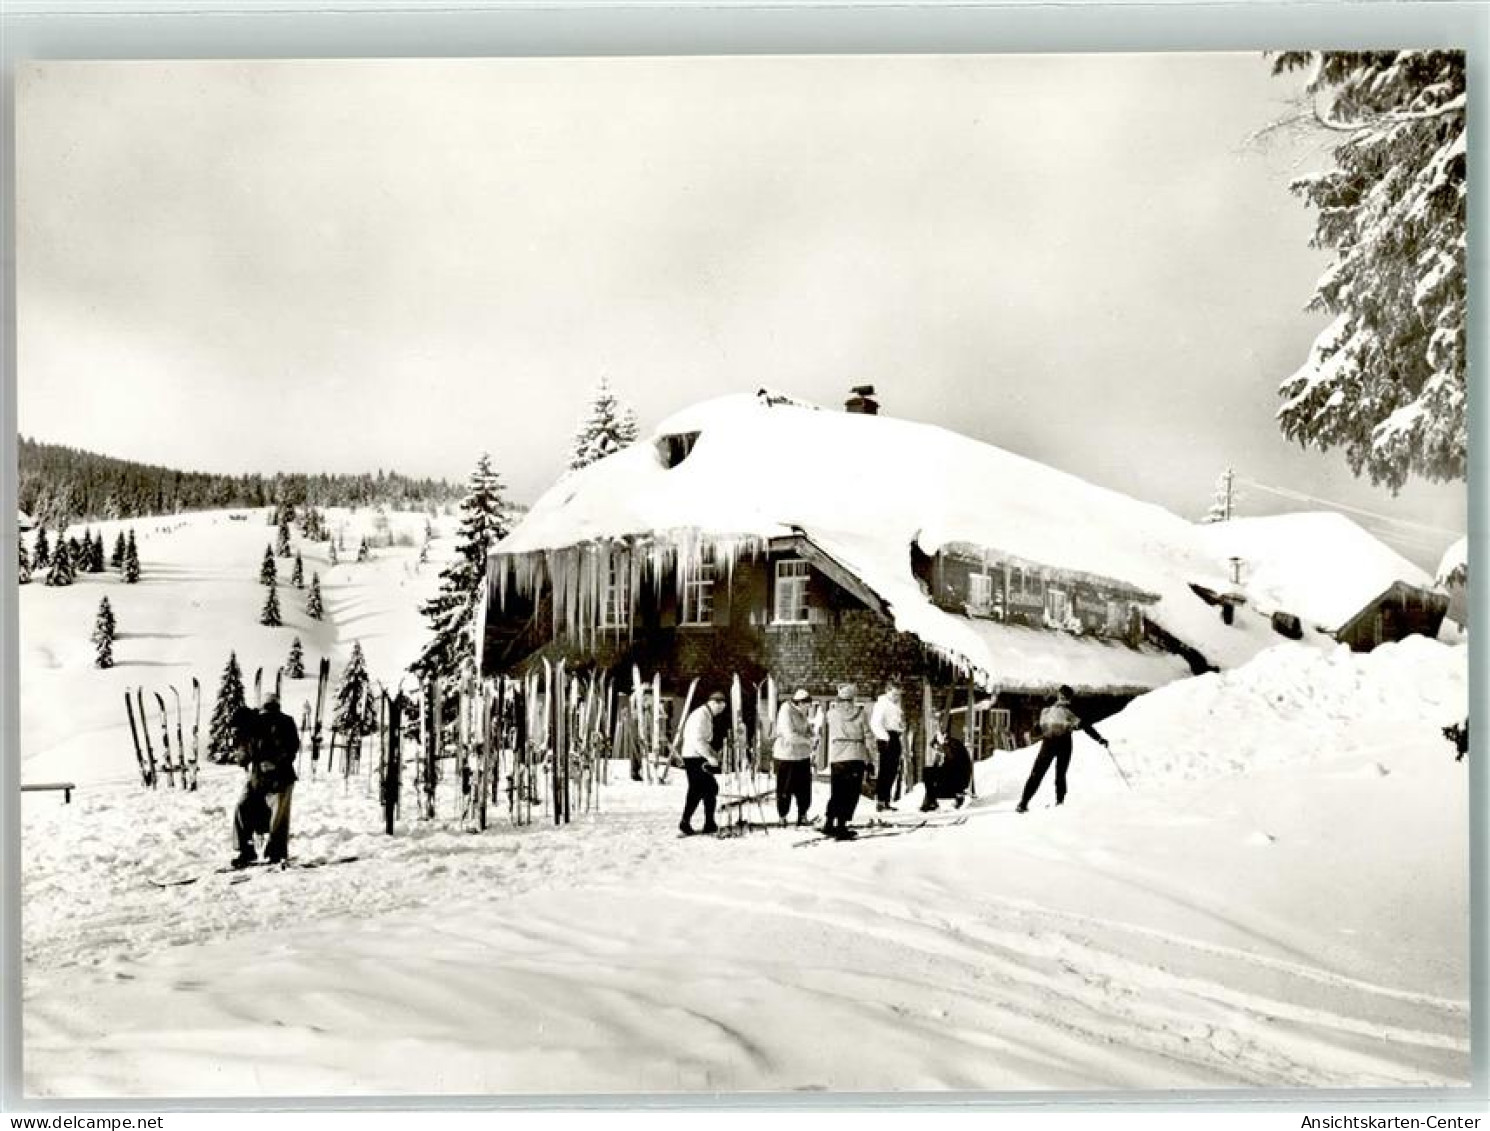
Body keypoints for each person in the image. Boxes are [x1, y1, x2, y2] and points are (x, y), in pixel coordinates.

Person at [230, 692, 300, 867]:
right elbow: (246, 752)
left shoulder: (285, 722)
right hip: (259, 778)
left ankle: (273, 853)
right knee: (245, 808)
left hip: (280, 777)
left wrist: (274, 761)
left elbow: (291, 748)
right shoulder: (255, 723)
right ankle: (248, 850)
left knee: (277, 817)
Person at [1015, 684, 1108, 813]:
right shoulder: (1065, 712)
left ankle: (1024, 803)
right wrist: (1099, 739)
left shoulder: (1047, 712)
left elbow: (1037, 728)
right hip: (1063, 744)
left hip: (1050, 744)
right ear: (1067, 697)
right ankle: (1058, 803)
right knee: (1058, 774)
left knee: (1038, 774)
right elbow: (1086, 726)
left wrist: (1028, 734)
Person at [823, 683, 873, 840]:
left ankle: (829, 822)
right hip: (856, 754)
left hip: (837, 755)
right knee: (851, 793)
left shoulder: (831, 714)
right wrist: (871, 758)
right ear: (853, 698)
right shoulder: (861, 714)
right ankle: (842, 825)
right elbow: (869, 737)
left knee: (837, 791)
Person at [679, 690, 726, 836]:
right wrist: (710, 757)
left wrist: (712, 753)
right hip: (694, 757)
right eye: (720, 708)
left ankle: (706, 822)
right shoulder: (701, 716)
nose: (720, 711)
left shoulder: (705, 715)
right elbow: (698, 740)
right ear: (714, 703)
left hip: (696, 755)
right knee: (704, 789)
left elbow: (703, 741)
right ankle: (689, 822)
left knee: (705, 789)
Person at [773, 688, 816, 826]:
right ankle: (783, 815)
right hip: (786, 756)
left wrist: (813, 734)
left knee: (804, 789)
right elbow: (789, 735)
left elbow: (807, 729)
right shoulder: (785, 711)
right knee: (785, 788)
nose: (808, 708)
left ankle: (802, 815)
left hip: (802, 756)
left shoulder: (801, 712)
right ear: (800, 703)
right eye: (807, 705)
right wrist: (808, 740)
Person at [869, 682, 906, 812]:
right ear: (888, 691)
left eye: (898, 694)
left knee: (892, 770)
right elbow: (875, 723)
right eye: (894, 694)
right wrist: (886, 738)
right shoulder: (882, 704)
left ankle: (886, 800)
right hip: (886, 737)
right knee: (885, 770)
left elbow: (896, 721)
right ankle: (880, 800)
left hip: (894, 736)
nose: (897, 697)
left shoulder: (895, 705)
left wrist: (900, 728)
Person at [922, 720, 972, 811]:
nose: (938, 750)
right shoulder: (953, 746)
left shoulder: (952, 746)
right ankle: (932, 800)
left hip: (956, 781)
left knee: (928, 772)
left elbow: (951, 765)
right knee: (929, 773)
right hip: (955, 778)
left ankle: (932, 801)